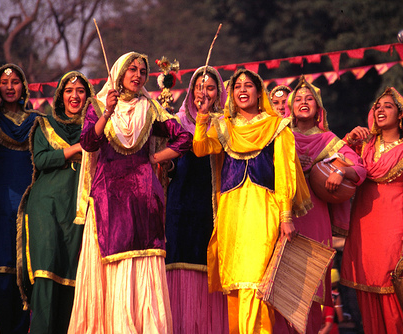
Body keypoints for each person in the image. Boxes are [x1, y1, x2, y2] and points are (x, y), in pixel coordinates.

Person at [68, 52, 192, 333]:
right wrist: (108, 111)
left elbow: (184, 138)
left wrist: (155, 159)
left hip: (144, 197)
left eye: (142, 71)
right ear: (119, 73)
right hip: (107, 197)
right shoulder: (99, 105)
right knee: (113, 259)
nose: (137, 75)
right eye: (132, 69)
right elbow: (88, 142)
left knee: (144, 259)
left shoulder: (150, 108)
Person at [192, 68, 311, 334]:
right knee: (237, 285)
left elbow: (285, 173)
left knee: (257, 282)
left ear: (259, 94)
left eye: (248, 86)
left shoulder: (276, 126)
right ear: (232, 95)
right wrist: (202, 115)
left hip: (263, 210)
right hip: (232, 212)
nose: (243, 90)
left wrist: (285, 216)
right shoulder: (224, 127)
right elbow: (200, 148)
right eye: (237, 86)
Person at [273, 76, 366, 334]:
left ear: (318, 107)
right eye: (298, 99)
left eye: (309, 99)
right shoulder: (280, 135)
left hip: (314, 217)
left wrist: (340, 172)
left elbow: (358, 167)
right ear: (290, 106)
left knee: (310, 290)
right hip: (282, 214)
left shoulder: (329, 141)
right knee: (278, 288)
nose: (303, 102)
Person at [341, 87, 403, 334]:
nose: (380, 109)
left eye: (388, 106)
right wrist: (349, 140)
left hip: (394, 236)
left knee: (395, 302)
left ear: (401, 115)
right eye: (377, 106)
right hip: (363, 232)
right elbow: (333, 164)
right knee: (367, 299)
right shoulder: (363, 148)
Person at [17, 71, 94, 333]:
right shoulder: (44, 124)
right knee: (46, 272)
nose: (75, 96)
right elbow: (41, 160)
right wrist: (74, 150)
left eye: (81, 91)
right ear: (60, 95)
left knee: (74, 276)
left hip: (80, 209)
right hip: (46, 207)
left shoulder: (95, 128)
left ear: (88, 96)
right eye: (69, 90)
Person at [165, 66, 229, 334]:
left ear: (219, 93)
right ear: (190, 93)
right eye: (199, 88)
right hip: (179, 203)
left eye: (211, 88)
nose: (204, 93)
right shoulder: (176, 122)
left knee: (211, 259)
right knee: (178, 257)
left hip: (214, 204)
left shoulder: (226, 124)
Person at [0, 63, 41, 333]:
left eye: (15, 82)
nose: (9, 87)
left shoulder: (37, 121)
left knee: (26, 272)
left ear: (24, 87)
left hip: (30, 202)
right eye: (4, 82)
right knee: (2, 270)